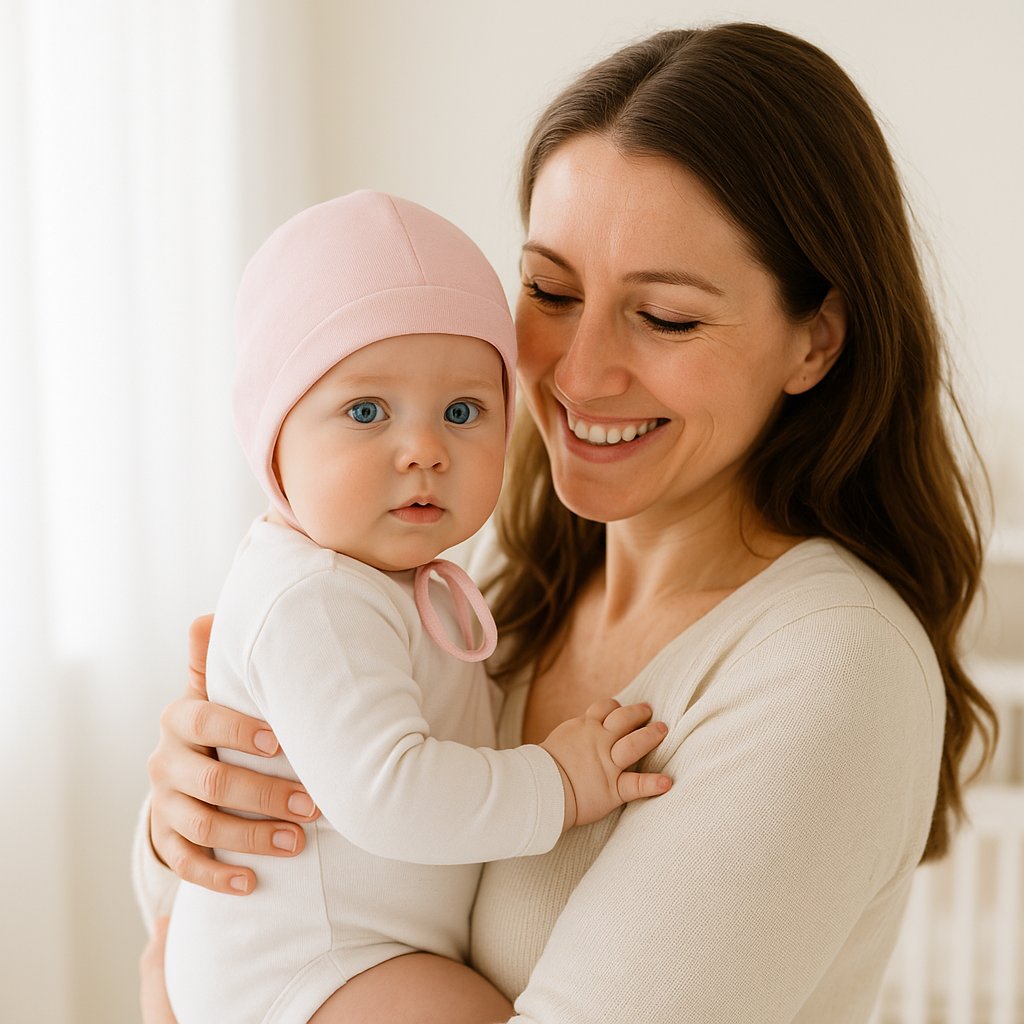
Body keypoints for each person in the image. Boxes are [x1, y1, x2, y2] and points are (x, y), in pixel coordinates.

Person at [136, 22, 998, 1024]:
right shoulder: (482, 576)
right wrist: (185, 820)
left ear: (814, 340)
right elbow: (193, 938)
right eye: (549, 292)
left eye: (665, 316)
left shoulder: (828, 666)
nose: (579, 373)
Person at [160, 189, 672, 1024]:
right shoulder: (315, 596)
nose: (425, 451)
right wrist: (559, 783)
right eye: (366, 411)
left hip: (353, 955)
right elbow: (388, 792)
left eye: (463, 412)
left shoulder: (397, 577)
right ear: (273, 434)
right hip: (313, 965)